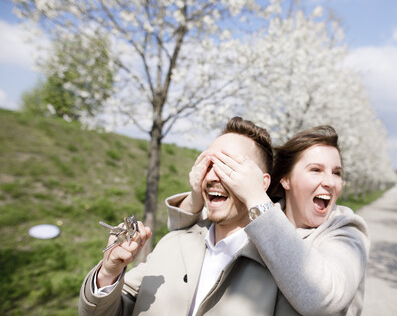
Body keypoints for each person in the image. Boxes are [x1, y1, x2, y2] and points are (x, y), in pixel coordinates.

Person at [78, 117, 300, 316]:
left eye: (228, 166)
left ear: (261, 184)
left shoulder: (281, 270)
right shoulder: (172, 243)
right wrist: (108, 273)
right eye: (209, 164)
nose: (213, 175)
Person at [166, 125, 370, 316]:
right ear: (285, 179)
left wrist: (255, 195)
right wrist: (194, 197)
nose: (330, 182)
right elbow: (185, 232)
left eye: (337, 173)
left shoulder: (347, 229)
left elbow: (324, 299)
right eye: (316, 170)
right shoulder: (260, 217)